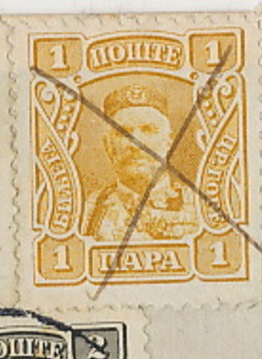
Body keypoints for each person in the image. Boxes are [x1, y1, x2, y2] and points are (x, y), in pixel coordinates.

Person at [81, 83, 198, 242]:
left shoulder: (198, 205)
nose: (136, 143)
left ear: (168, 143)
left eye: (148, 130)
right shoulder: (88, 210)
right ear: (108, 145)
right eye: (122, 133)